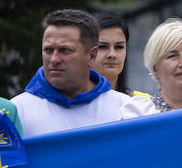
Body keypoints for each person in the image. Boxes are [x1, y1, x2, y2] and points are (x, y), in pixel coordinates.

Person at [11, 9, 145, 136]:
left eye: (65, 50)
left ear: (92, 55)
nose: (54, 59)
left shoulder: (128, 111)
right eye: (48, 50)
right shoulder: (15, 113)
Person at [93, 12, 135, 94]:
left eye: (119, 47)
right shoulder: (70, 103)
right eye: (102, 46)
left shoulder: (139, 103)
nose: (112, 54)